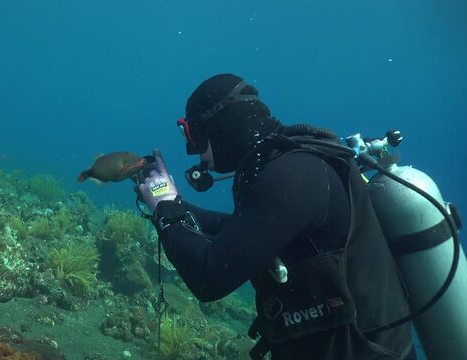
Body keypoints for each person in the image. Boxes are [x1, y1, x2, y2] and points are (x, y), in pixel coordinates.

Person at [136, 74, 416, 360]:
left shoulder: (292, 177)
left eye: (193, 134)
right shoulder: (288, 168)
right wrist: (171, 203)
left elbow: (209, 278)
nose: (191, 149)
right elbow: (240, 233)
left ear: (219, 127)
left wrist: (167, 210)